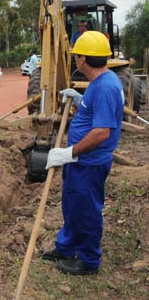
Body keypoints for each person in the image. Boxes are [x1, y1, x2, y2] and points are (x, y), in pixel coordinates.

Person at [42, 31, 124, 275]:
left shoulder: (105, 87)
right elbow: (93, 113)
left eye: (76, 55)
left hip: (88, 162)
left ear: (82, 59)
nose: (75, 59)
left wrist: (70, 152)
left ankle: (88, 260)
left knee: (86, 211)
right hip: (80, 162)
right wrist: (79, 100)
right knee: (72, 206)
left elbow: (101, 132)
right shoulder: (99, 83)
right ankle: (66, 247)